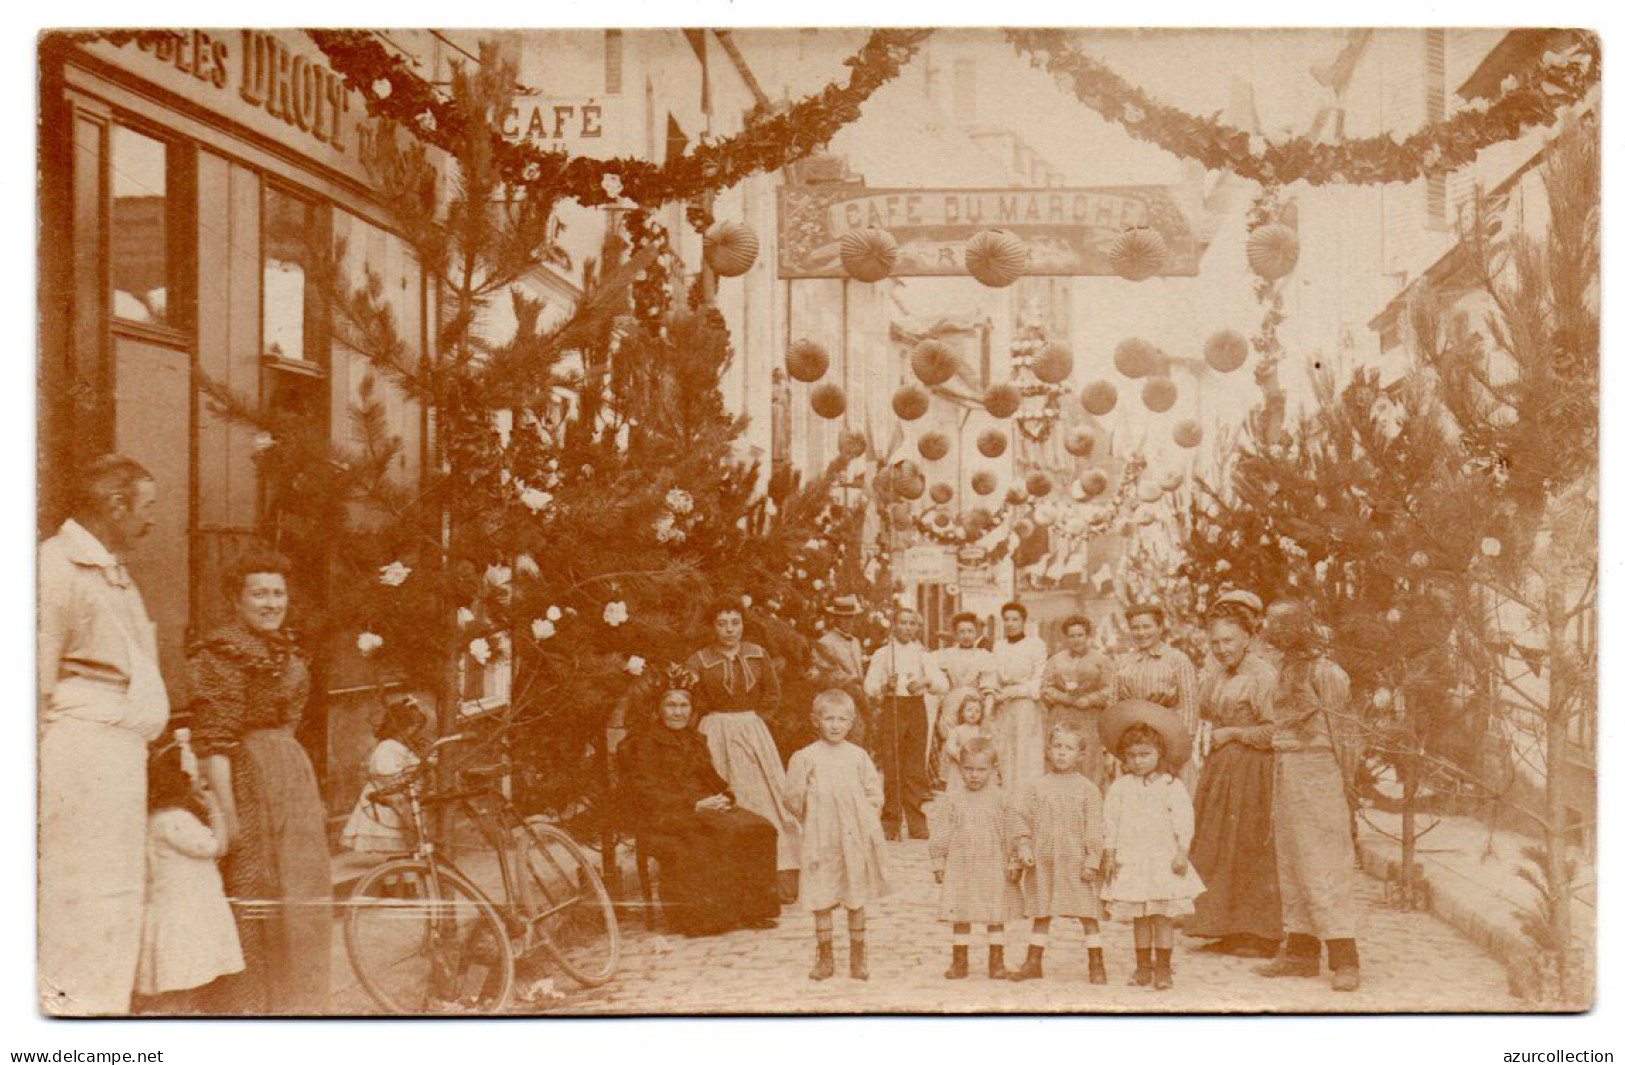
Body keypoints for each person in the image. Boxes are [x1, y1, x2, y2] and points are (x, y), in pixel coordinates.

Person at [38, 454, 170, 1015]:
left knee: (117, 895)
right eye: (146, 508)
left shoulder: (112, 570)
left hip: (118, 755)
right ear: (115, 505)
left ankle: (103, 1014)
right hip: (81, 757)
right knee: (81, 896)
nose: (151, 522)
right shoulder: (54, 569)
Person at [189, 547, 330, 1014]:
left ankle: (296, 1007)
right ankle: (247, 1011)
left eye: (278, 592)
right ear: (236, 599)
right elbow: (214, 741)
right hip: (244, 782)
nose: (271, 603)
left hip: (290, 777)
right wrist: (229, 817)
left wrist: (299, 783)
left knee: (300, 895)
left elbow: (290, 720)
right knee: (252, 895)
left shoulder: (286, 648)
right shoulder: (220, 653)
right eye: (259, 594)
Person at [617, 667, 781, 936]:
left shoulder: (694, 739)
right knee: (699, 841)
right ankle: (701, 919)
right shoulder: (642, 743)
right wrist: (693, 806)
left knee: (758, 828)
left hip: (702, 808)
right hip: (663, 816)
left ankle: (752, 911)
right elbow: (644, 792)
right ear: (658, 709)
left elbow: (712, 778)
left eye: (684, 705)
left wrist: (724, 797)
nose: (678, 712)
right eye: (671, 705)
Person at [1253, 600, 1363, 992]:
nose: (1274, 637)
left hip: (1320, 770)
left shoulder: (1327, 672)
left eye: (1281, 629)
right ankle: (1300, 952)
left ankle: (1344, 957)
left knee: (1324, 859)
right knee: (1292, 858)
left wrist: (1346, 783)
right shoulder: (1283, 670)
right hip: (1287, 767)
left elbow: (1345, 731)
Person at [686, 597, 801, 893]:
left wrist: (753, 721)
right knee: (726, 796)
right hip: (714, 730)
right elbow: (691, 698)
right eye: (722, 623)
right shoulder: (699, 660)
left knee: (767, 797)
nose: (729, 630)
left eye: (735, 622)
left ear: (743, 624)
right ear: (712, 627)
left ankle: (778, 878)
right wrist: (709, 727)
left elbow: (772, 693)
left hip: (752, 731)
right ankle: (729, 880)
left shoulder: (757, 654)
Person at [1186, 608, 1282, 958]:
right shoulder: (1219, 674)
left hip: (1254, 770)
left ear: (1247, 637)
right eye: (1215, 642)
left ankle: (1260, 933)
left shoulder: (1263, 675)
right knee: (1219, 844)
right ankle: (1226, 926)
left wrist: (1235, 733)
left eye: (1229, 640)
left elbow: (1276, 730)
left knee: (1249, 848)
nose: (1222, 648)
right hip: (1222, 769)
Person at [1099, 701, 1205, 991]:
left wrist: (1182, 851)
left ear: (1160, 754)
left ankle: (1164, 969)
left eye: (1145, 754)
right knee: (1140, 916)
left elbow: (1185, 820)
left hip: (1162, 858)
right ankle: (1143, 967)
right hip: (1132, 858)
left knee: (1162, 915)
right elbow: (1110, 821)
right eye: (1131, 756)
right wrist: (1109, 853)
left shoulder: (1171, 786)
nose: (1138, 761)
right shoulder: (1120, 788)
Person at [785, 690, 891, 981]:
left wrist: (864, 818)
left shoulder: (857, 757)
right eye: (828, 718)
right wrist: (814, 818)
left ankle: (858, 955)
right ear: (815, 721)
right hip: (821, 839)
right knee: (821, 893)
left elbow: (874, 793)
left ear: (851, 722)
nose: (834, 725)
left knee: (854, 894)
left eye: (841, 719)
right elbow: (793, 797)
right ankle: (825, 955)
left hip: (852, 837)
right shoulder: (806, 757)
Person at [133, 740, 244, 1011]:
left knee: (181, 979)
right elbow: (219, 846)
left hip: (172, 908)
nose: (202, 783)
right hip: (185, 913)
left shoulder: (156, 819)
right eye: (198, 779)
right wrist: (214, 807)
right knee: (185, 976)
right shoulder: (177, 821)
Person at [1008, 722, 1108, 984]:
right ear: (1048, 751)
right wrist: (1024, 846)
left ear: (1081, 755)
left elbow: (1095, 828)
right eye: (1057, 746)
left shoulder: (1088, 789)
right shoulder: (1036, 787)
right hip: (1044, 862)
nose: (1062, 753)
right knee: (1042, 910)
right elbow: (1021, 818)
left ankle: (1096, 963)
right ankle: (1033, 962)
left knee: (1087, 912)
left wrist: (1092, 859)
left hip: (1077, 863)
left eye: (1069, 748)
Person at [929, 737, 1018, 980]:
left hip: (993, 866)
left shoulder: (1001, 799)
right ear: (960, 769)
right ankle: (960, 962)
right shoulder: (953, 799)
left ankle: (996, 962)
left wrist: (1014, 860)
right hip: (961, 866)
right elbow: (941, 832)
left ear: (993, 769)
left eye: (981, 770)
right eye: (968, 769)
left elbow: (1012, 832)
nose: (974, 775)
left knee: (995, 914)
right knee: (960, 912)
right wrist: (938, 861)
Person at [862, 606, 947, 841]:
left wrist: (924, 681)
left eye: (912, 623)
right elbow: (869, 686)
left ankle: (916, 822)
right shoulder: (883, 654)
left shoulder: (923, 654)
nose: (907, 628)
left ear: (917, 627)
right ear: (894, 625)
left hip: (915, 708)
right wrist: (884, 686)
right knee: (892, 764)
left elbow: (942, 683)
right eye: (902, 623)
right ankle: (890, 821)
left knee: (914, 767)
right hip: (893, 708)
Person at [1112, 603, 1201, 792]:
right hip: (1133, 746)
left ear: (1160, 627)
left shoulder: (1177, 660)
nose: (1141, 633)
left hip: (1168, 743)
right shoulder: (1123, 663)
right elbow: (1113, 706)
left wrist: (1180, 750)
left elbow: (1190, 708)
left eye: (1147, 626)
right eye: (1135, 627)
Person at [340, 697, 428, 855]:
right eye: (411, 727)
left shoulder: (403, 746)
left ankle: (406, 856)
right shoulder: (387, 747)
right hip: (388, 793)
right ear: (398, 727)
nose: (414, 732)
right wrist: (409, 774)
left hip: (402, 792)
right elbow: (382, 771)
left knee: (409, 827)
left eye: (417, 727)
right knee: (392, 831)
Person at [1040, 614, 1115, 785]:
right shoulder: (1056, 660)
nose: (1076, 640)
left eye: (1080, 635)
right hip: (1061, 717)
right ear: (1066, 637)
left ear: (1088, 636)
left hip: (1090, 719)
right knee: (1062, 758)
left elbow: (1110, 689)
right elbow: (1045, 689)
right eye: (1072, 636)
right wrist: (1064, 698)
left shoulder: (1101, 660)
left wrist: (1090, 699)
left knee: (1088, 760)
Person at [930, 612, 1000, 782]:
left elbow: (989, 686)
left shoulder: (984, 656)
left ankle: (976, 779)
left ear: (976, 633)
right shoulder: (944, 655)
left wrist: (987, 714)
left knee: (973, 741)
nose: (966, 636)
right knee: (952, 741)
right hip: (951, 703)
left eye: (970, 631)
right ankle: (952, 780)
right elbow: (936, 680)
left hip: (975, 704)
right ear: (955, 634)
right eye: (961, 632)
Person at [989, 601, 1048, 797]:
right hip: (1003, 706)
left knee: (1026, 752)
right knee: (1004, 751)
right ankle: (1007, 797)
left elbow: (1039, 679)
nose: (1011, 623)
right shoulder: (998, 646)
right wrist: (996, 693)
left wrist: (1015, 692)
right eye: (1007, 619)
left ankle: (1026, 798)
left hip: (1025, 705)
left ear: (1023, 621)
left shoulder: (1035, 645)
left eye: (1015, 619)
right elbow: (994, 675)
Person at [809, 595, 871, 747]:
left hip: (857, 698)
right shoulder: (826, 642)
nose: (848, 622)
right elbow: (820, 676)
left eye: (851, 618)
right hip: (837, 699)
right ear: (835, 619)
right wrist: (846, 681)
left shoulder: (855, 641)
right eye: (843, 618)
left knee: (860, 737)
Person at [939, 692, 996, 793]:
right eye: (969, 710)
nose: (973, 714)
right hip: (960, 762)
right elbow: (950, 746)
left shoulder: (981, 731)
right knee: (959, 786)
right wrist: (958, 754)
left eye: (977, 711)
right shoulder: (957, 730)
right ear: (962, 712)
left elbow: (987, 745)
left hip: (977, 763)